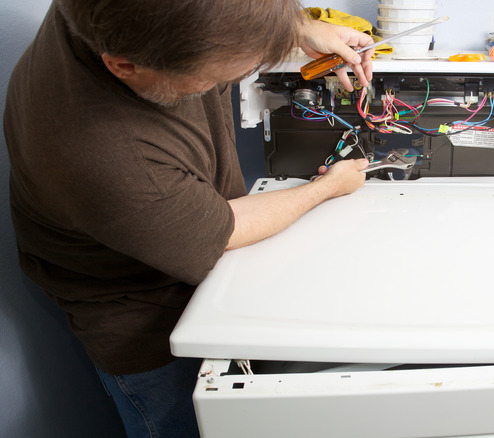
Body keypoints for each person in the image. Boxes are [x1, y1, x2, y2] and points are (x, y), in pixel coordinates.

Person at [4, 0, 375, 436]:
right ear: (123, 66)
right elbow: (226, 227)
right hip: (144, 322)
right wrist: (326, 188)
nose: (238, 81)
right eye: (220, 78)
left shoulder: (112, 14)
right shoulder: (105, 156)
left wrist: (293, 27)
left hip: (181, 243)